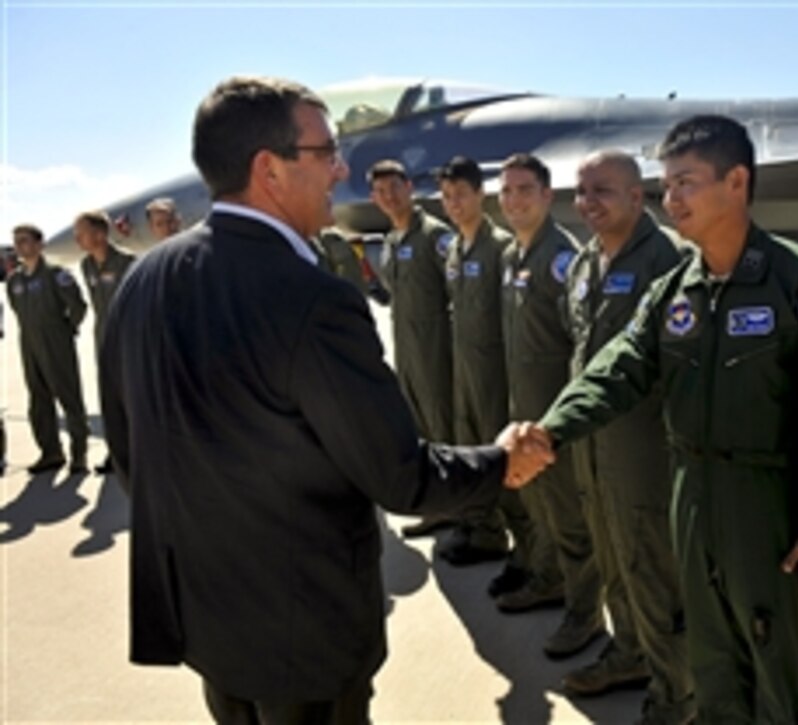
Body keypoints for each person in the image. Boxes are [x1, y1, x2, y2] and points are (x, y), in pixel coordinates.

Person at [98, 76, 553, 724]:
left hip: (207, 620)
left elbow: (130, 452)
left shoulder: (142, 280)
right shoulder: (313, 299)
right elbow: (398, 475)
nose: (341, 168)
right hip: (302, 632)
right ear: (269, 170)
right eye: (326, 152)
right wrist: (497, 461)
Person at [514, 116, 798, 722]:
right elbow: (618, 368)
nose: (671, 199)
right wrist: (552, 429)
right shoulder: (675, 290)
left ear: (736, 182)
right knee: (709, 662)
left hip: (766, 505)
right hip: (689, 496)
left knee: (775, 670)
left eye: (685, 183)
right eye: (667, 185)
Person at [557, 150, 694, 721]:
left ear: (638, 197)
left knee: (650, 566)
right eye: (582, 191)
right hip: (594, 445)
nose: (587, 203)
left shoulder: (668, 263)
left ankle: (676, 693)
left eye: (603, 191)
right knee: (611, 552)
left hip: (642, 448)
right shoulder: (586, 262)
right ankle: (629, 652)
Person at [497, 153, 604, 659]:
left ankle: (584, 615)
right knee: (544, 510)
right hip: (527, 414)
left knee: (571, 520)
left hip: (556, 424)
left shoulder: (562, 259)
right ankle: (550, 581)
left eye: (525, 190)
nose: (514, 200)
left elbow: (581, 343)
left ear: (546, 195)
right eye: (507, 191)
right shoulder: (518, 255)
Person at [437, 156, 528, 571]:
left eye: (462, 195)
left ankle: (527, 554)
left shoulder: (502, 249)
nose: (454, 204)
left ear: (480, 195)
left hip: (494, 374)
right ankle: (484, 532)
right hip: (463, 372)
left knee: (502, 462)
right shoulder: (455, 248)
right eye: (447, 197)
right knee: (468, 451)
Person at [368, 158, 457, 539]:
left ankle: (462, 512)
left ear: (410, 188)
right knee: (420, 429)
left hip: (436, 351)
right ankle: (440, 508)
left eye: (395, 188)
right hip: (407, 351)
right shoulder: (391, 242)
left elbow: (459, 295)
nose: (389, 197)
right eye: (381, 192)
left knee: (444, 430)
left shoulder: (436, 237)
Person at [7, 224, 91, 474]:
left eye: (25, 241)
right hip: (29, 344)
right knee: (38, 399)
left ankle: (79, 455)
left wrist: (66, 331)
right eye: (17, 242)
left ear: (40, 244)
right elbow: (17, 309)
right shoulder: (15, 280)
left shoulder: (56, 275)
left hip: (56, 343)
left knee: (69, 397)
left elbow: (77, 306)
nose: (20, 246)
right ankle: (50, 452)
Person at [74, 210, 137, 474]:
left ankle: (140, 454)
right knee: (109, 399)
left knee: (132, 399)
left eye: (82, 232)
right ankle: (117, 453)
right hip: (102, 339)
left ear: (100, 234)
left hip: (128, 340)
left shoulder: (127, 263)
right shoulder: (86, 266)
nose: (77, 238)